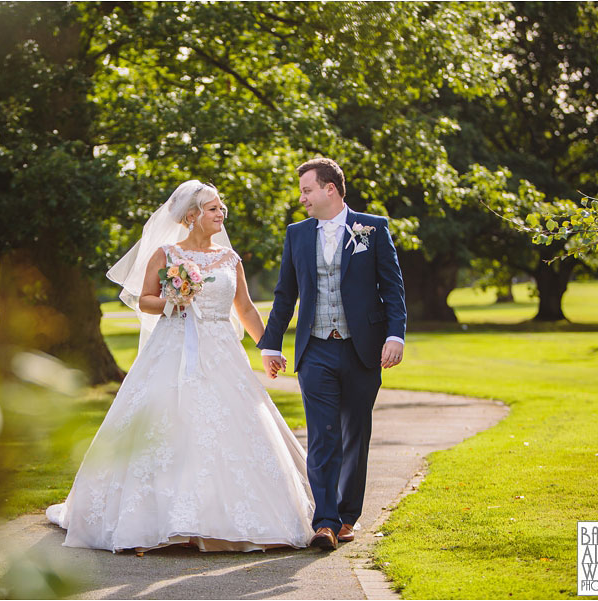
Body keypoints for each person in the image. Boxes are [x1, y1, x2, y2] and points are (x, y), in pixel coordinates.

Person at [46, 180, 314, 552]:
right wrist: (174, 298)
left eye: (222, 208)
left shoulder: (229, 260)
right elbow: (145, 301)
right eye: (213, 209)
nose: (222, 214)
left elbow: (246, 309)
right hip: (173, 348)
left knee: (231, 426)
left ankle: (229, 519)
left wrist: (268, 347)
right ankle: (163, 518)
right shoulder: (166, 254)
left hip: (222, 352)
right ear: (192, 216)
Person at [258, 158, 407, 550]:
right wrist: (271, 344)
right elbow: (285, 294)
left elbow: (393, 289)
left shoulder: (372, 228)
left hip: (363, 350)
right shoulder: (297, 234)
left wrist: (396, 336)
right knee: (323, 435)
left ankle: (346, 516)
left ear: (330, 189)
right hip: (316, 349)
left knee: (355, 433)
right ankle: (324, 521)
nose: (302, 198)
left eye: (307, 190)